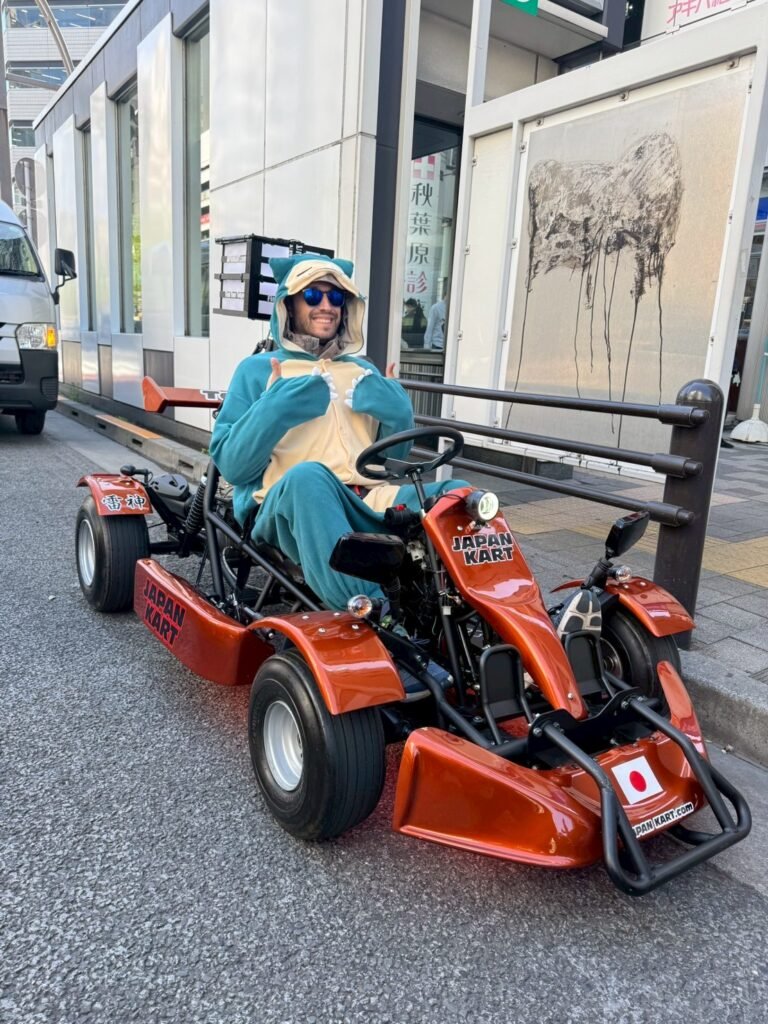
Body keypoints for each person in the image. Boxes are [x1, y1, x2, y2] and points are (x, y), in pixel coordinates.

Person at [210, 252, 462, 611]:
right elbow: (233, 467)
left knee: (460, 496)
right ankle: (374, 613)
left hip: (366, 500)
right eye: (312, 296)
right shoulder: (257, 370)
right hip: (284, 504)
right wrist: (273, 409)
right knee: (309, 477)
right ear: (289, 305)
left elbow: (389, 462)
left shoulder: (363, 371)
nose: (326, 306)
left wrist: (398, 414)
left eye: (336, 297)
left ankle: (482, 613)